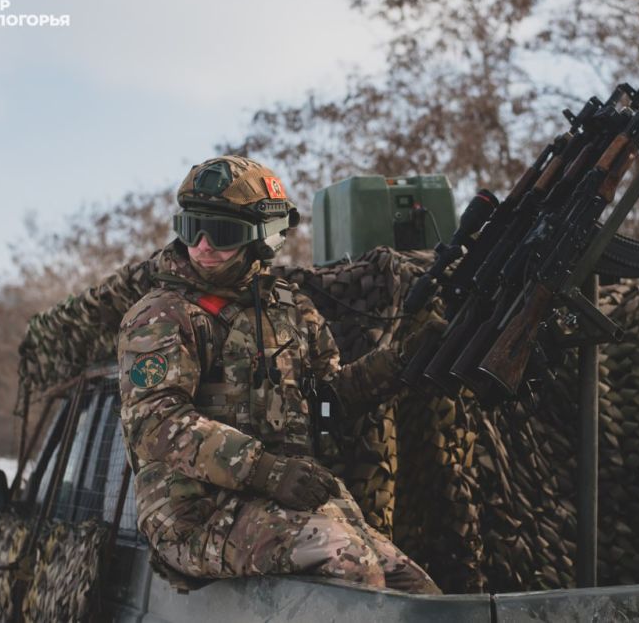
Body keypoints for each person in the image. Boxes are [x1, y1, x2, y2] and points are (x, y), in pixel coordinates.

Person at [117, 155, 441, 594]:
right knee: (351, 563)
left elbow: (328, 399)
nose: (204, 245)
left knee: (415, 591)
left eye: (224, 233)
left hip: (283, 506)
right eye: (193, 228)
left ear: (262, 239)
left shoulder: (290, 309)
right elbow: (156, 424)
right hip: (195, 516)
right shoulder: (162, 315)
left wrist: (397, 362)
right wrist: (267, 471)